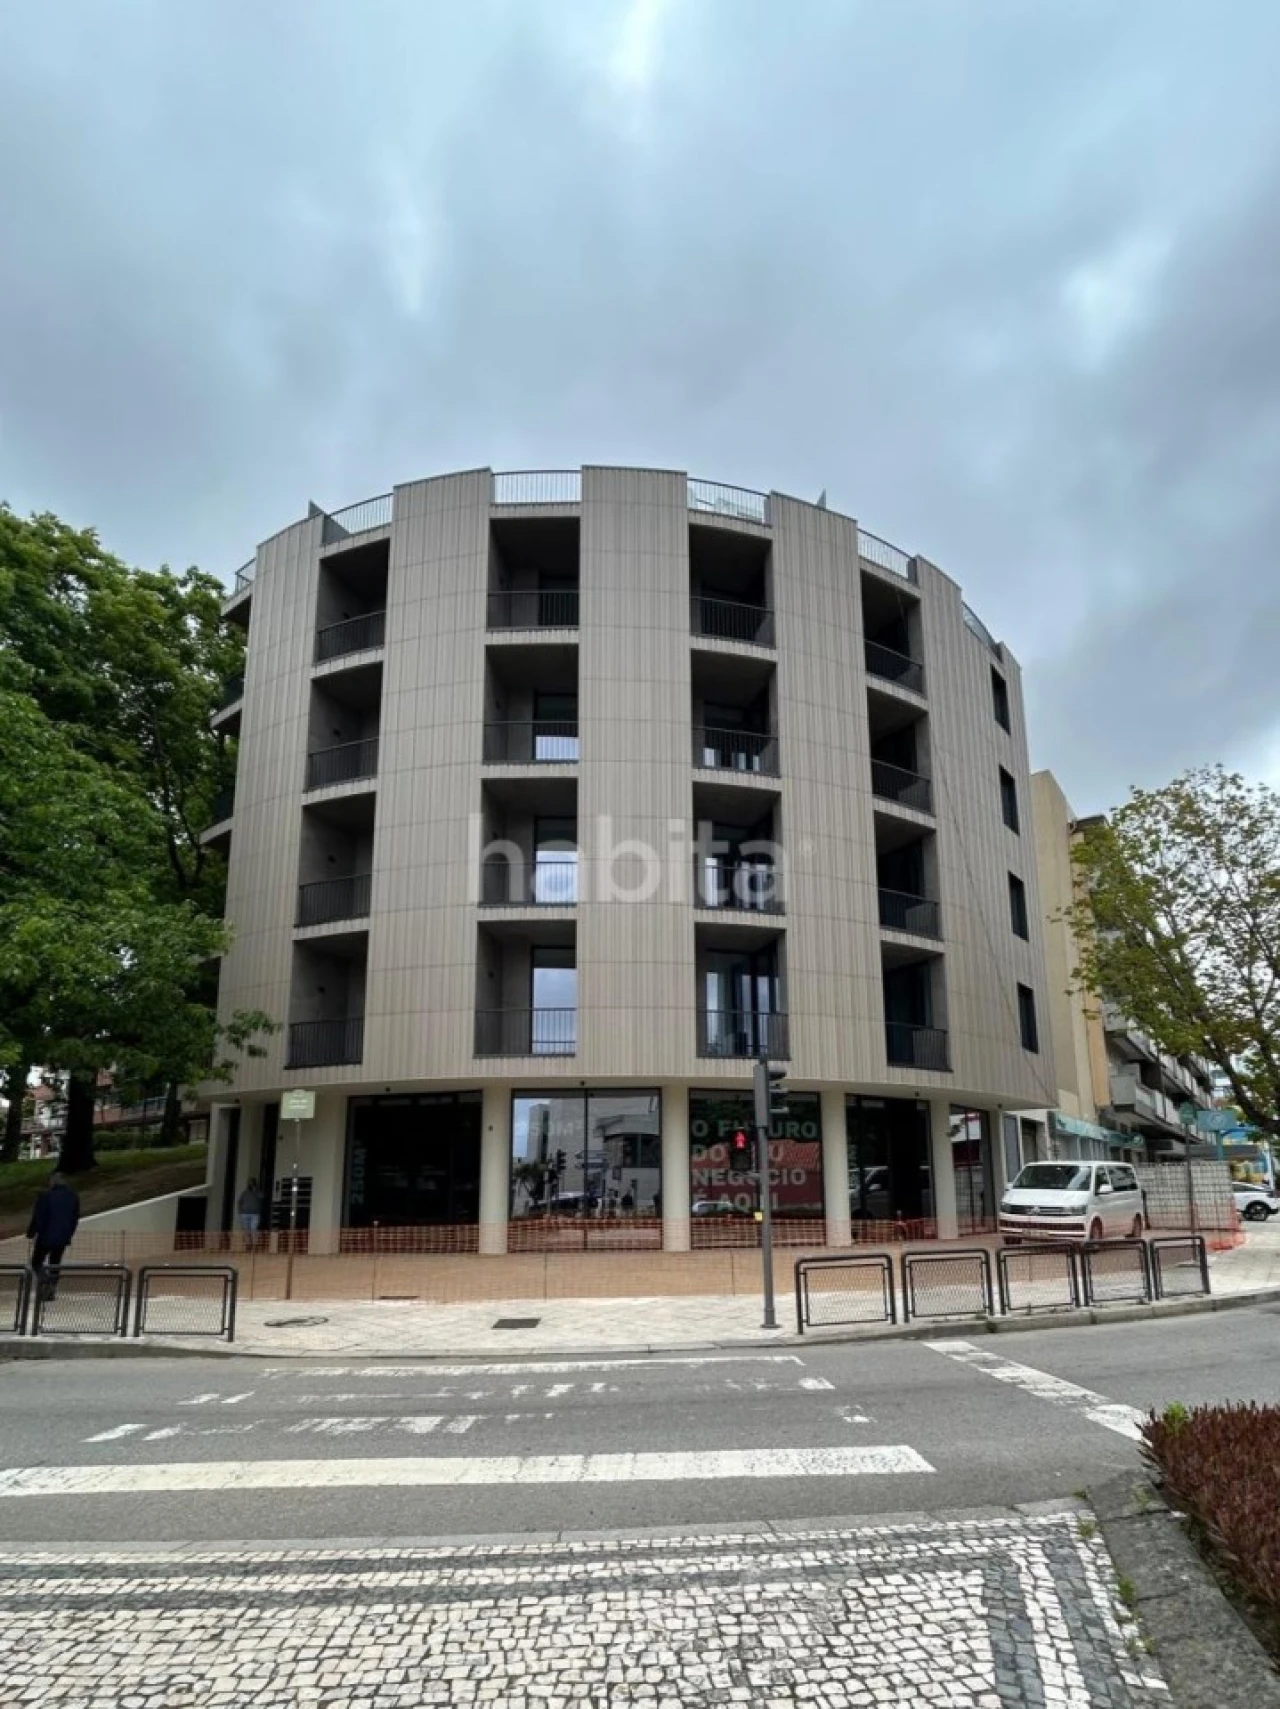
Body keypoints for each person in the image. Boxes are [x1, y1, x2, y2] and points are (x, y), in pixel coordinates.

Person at [27, 1171, 80, 1302]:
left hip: (46, 1235)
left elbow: (38, 1217)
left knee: (36, 1262)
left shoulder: (45, 1196)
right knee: (55, 1263)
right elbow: (74, 1218)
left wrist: (31, 1233)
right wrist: (69, 1233)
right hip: (63, 1236)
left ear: (53, 1182)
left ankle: (46, 1283)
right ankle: (51, 1289)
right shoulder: (73, 1196)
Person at [237, 1177, 263, 1247]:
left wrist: (255, 1191)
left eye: (252, 1183)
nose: (250, 1184)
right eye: (249, 1183)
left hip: (255, 1214)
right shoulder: (244, 1193)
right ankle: (248, 1245)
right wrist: (240, 1211)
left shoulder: (258, 1192)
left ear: (255, 1184)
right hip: (245, 1214)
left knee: (253, 1229)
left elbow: (261, 1197)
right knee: (246, 1230)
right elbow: (239, 1202)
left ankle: (255, 1244)